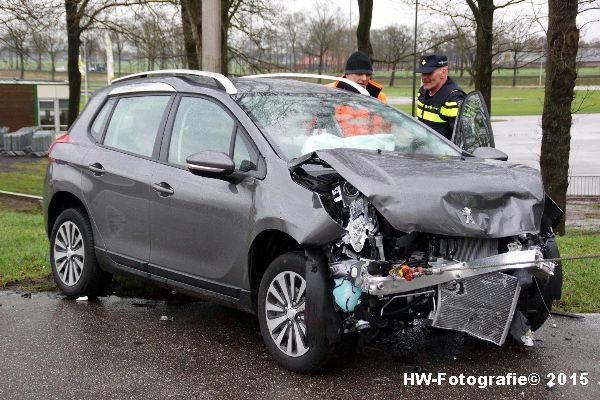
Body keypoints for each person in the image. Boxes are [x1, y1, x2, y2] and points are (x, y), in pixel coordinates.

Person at [415, 53, 466, 140]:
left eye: (429, 73)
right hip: (423, 150)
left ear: (443, 72)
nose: (424, 77)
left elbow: (461, 139)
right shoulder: (422, 92)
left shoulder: (453, 98)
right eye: (423, 73)